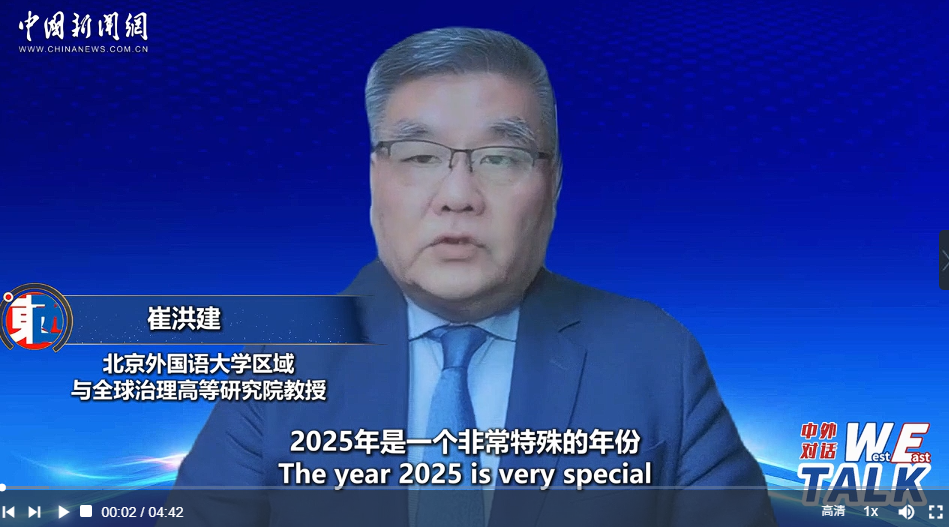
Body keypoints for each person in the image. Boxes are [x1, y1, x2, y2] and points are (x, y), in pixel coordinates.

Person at [168, 27, 779, 527]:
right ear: (375, 181)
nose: (458, 195)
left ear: (553, 184)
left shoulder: (656, 358)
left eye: (500, 158)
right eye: (420, 157)